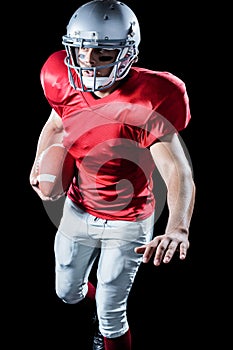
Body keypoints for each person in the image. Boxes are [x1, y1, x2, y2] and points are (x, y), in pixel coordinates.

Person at [29, 0, 196, 349]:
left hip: (128, 219)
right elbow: (58, 122)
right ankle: (93, 313)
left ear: (127, 52)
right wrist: (40, 160)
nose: (89, 62)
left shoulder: (151, 98)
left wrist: (178, 227)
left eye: (103, 54)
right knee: (66, 292)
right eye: (83, 51)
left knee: (111, 313)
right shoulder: (61, 78)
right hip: (78, 206)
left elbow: (175, 168)